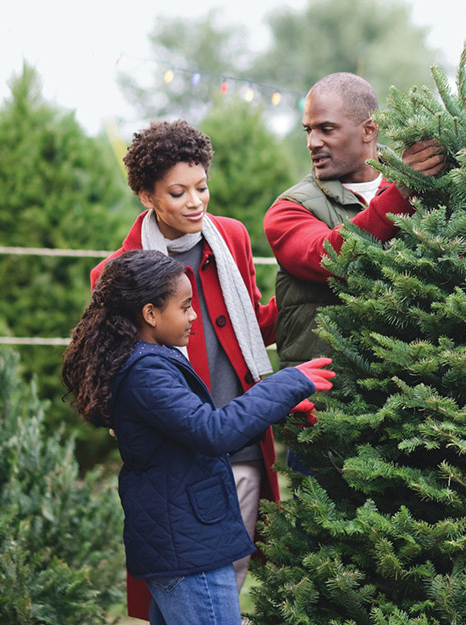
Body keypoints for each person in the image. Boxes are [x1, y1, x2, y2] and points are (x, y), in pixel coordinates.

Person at [62, 250, 334, 625]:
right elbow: (213, 432)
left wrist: (278, 407)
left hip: (186, 540)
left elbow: (197, 430)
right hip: (189, 552)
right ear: (150, 313)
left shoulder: (152, 359)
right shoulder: (146, 373)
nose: (194, 316)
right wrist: (289, 382)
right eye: (186, 306)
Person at [90, 120, 289, 617]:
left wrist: (304, 300)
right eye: (178, 192)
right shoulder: (119, 272)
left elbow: (251, 322)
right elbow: (110, 366)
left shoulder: (232, 238)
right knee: (198, 587)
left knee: (226, 574)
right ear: (146, 195)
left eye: (201, 187)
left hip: (241, 440)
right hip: (180, 458)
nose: (196, 201)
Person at [264, 73, 446, 458]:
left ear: (368, 130)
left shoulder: (419, 190)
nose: (313, 142)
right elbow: (328, 255)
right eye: (308, 130)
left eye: (326, 129)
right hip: (325, 418)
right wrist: (402, 193)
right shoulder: (288, 209)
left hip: (413, 414)